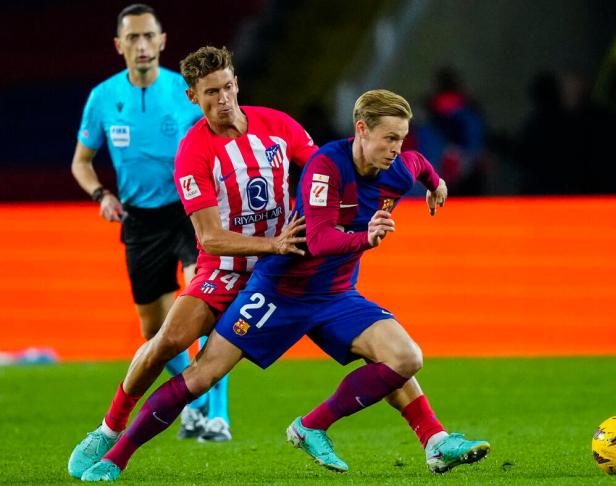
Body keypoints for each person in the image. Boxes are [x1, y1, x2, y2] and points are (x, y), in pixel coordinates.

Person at [78, 89, 490, 481]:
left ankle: (411, 438)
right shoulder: (325, 169)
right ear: (361, 129)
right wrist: (369, 237)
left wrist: (436, 183)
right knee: (201, 376)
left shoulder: (397, 167)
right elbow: (319, 240)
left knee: (405, 357)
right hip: (279, 292)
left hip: (335, 296)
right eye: (389, 139)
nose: (397, 148)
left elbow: (418, 163)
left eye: (400, 138)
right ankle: (116, 455)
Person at [67, 45, 313, 480]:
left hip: (284, 273)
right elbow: (210, 239)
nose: (223, 100)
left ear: (237, 83)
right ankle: (109, 430)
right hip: (225, 272)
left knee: (362, 332)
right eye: (211, 93)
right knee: (164, 343)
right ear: (192, 98)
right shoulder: (193, 152)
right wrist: (273, 244)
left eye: (228, 87)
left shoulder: (279, 126)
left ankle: (430, 433)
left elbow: (324, 173)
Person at [69, 3, 231, 444]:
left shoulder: (186, 93)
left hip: (189, 212)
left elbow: (220, 142)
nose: (142, 45)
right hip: (140, 221)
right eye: (133, 38)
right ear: (120, 46)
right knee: (154, 332)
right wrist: (101, 195)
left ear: (162, 41)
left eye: (149, 37)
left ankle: (219, 415)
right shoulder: (103, 98)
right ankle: (196, 403)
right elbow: (81, 163)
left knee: (207, 307)